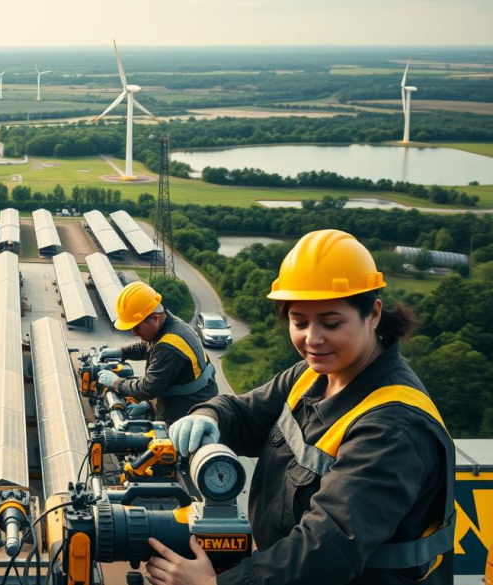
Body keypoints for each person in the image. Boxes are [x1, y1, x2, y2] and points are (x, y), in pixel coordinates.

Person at [152, 230, 456, 585]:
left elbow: (327, 547)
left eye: (331, 323)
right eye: (299, 322)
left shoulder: (394, 427)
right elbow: (246, 413)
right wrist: (210, 415)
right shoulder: (312, 375)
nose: (312, 339)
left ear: (373, 313)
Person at [97, 282, 218, 425]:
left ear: (154, 318)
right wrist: (123, 352)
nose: (133, 333)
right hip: (188, 398)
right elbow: (150, 345)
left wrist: (117, 383)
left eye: (137, 327)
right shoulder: (169, 323)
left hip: (185, 414)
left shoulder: (169, 348)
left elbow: (148, 389)